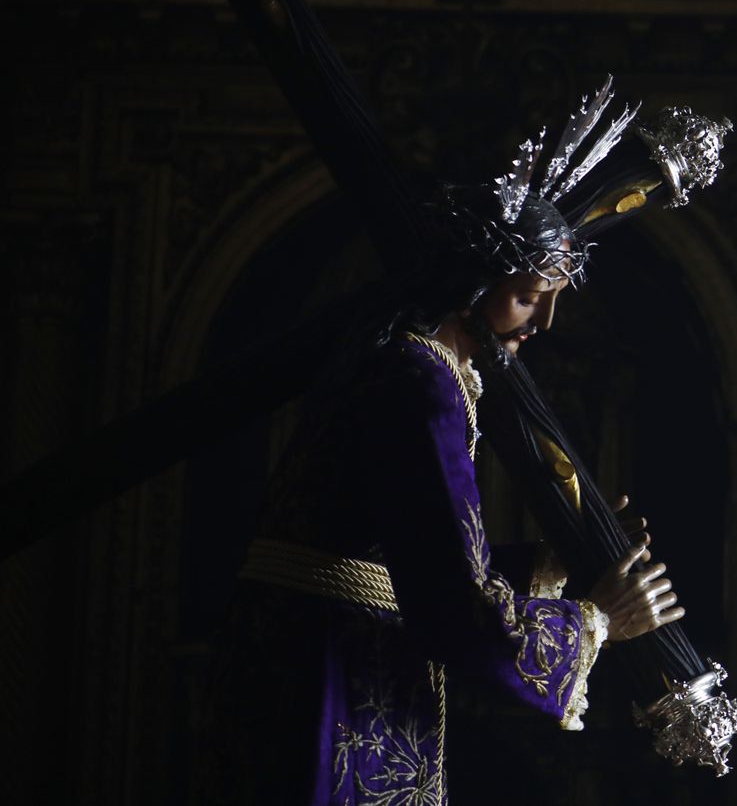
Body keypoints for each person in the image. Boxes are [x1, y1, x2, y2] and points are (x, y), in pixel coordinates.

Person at [193, 108, 696, 803]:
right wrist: (600, 618)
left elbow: (403, 555)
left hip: (307, 654)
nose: (543, 321)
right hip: (328, 678)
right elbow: (456, 611)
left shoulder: (410, 364)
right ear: (470, 283)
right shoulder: (420, 380)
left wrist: (549, 564)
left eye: (550, 298)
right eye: (526, 297)